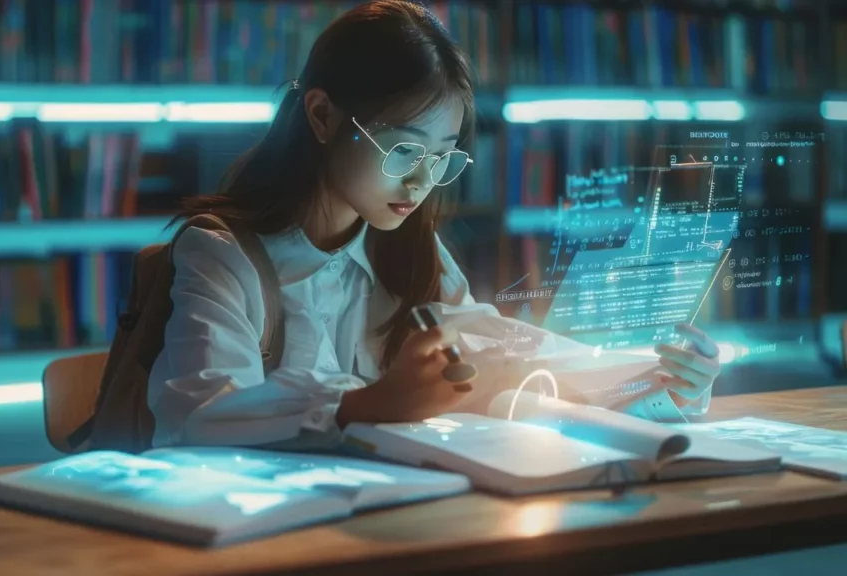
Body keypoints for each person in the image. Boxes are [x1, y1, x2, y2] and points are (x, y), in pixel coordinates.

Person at [146, 0, 721, 450]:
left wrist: (656, 379)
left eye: (442, 158)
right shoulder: (223, 253)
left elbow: (506, 353)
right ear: (322, 116)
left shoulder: (412, 250)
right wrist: (363, 404)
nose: (422, 184)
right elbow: (201, 412)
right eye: (403, 152)